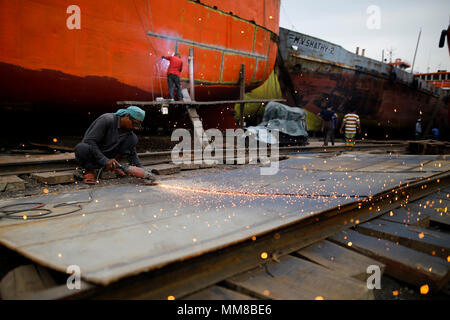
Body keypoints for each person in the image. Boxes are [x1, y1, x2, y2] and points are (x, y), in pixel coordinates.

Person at [74, 106, 145, 184]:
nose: (136, 128)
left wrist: (144, 173)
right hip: (93, 156)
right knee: (82, 147)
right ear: (126, 116)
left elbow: (133, 156)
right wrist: (105, 160)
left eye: (138, 126)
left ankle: (114, 167)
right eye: (135, 124)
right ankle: (89, 172)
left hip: (109, 162)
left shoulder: (129, 135)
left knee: (133, 139)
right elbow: (89, 141)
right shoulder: (107, 120)